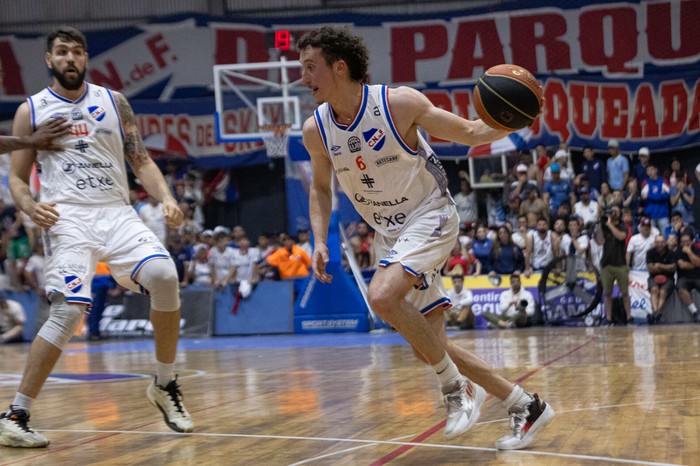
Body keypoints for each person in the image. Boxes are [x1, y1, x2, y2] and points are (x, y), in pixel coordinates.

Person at [298, 26, 553, 450]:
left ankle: (456, 391)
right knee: (429, 346)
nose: (303, 78)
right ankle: (525, 404)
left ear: (339, 67)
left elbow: (471, 133)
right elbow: (321, 189)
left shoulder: (397, 103)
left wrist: (519, 118)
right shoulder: (316, 129)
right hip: (389, 233)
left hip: (430, 215)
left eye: (310, 67)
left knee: (381, 297)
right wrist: (320, 240)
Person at [0, 27, 193, 448]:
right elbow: (16, 178)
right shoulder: (30, 110)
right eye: (62, 53)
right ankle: (16, 413)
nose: (70, 58)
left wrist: (166, 197)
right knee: (68, 312)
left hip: (117, 212)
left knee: (163, 275)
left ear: (86, 58)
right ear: (49, 60)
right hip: (67, 217)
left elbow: (140, 160)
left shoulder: (113, 102)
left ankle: (164, 383)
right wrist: (29, 206)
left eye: (77, 52)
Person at [596, 205, 632, 325]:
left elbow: (621, 237)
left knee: (625, 293)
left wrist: (610, 225)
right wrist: (600, 224)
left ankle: (629, 317)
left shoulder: (623, 226)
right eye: (612, 211)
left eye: (616, 211)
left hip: (621, 264)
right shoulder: (604, 226)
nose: (614, 213)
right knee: (607, 293)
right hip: (606, 264)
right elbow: (599, 241)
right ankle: (608, 318)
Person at [645, 235, 676, 324]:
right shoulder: (650, 252)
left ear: (665, 242)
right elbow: (651, 268)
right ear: (654, 243)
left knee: (663, 292)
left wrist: (659, 265)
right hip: (653, 277)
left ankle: (654, 315)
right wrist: (666, 268)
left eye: (662, 242)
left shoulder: (671, 253)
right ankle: (657, 314)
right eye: (657, 242)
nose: (659, 244)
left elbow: (673, 267)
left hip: (669, 278)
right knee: (654, 290)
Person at [675, 231, 700, 322]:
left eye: (687, 241)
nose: (685, 244)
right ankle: (695, 312)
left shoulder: (697, 249)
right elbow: (682, 265)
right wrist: (694, 264)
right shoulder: (678, 250)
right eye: (683, 242)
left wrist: (689, 252)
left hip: (697, 276)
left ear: (692, 241)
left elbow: (698, 263)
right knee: (681, 289)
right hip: (684, 277)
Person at [641, 165, 670, 233]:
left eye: (651, 170)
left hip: (663, 214)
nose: (650, 172)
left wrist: (649, 195)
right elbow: (643, 197)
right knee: (650, 238)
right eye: (648, 171)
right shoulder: (645, 182)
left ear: (656, 170)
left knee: (665, 237)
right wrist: (660, 194)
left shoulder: (664, 180)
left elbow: (666, 195)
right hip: (649, 215)